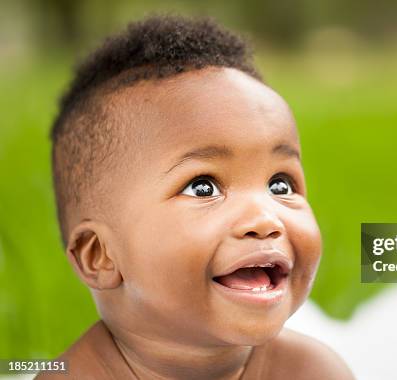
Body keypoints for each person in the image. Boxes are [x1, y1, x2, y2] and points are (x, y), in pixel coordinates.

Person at [38, 15, 354, 380]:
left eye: (280, 185)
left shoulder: (309, 371)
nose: (266, 219)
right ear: (100, 256)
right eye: (203, 187)